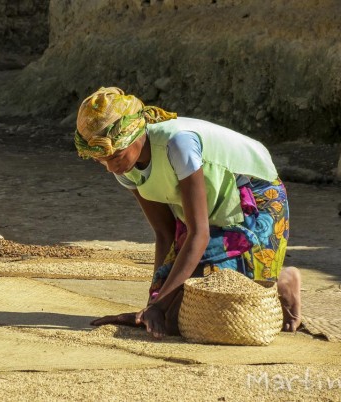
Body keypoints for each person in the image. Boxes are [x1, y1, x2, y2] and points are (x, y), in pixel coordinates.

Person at [74, 87, 301, 339]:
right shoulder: (124, 168)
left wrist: (160, 305)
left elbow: (199, 233)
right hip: (204, 207)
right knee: (176, 318)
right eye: (101, 160)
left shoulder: (177, 144)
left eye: (116, 155)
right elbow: (165, 233)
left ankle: (279, 281)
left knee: (223, 306)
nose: (110, 167)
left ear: (136, 134)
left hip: (253, 198)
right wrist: (153, 304)